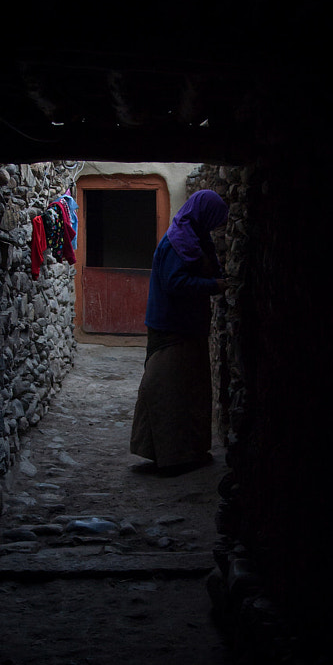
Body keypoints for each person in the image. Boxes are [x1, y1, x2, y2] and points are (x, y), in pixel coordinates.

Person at [129, 189, 229, 476]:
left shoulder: (197, 237)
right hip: (170, 326)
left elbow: (208, 266)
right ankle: (171, 456)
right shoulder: (177, 243)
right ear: (203, 215)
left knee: (188, 391)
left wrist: (216, 276)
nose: (214, 226)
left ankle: (186, 452)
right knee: (166, 390)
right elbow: (176, 283)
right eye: (213, 219)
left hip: (188, 326)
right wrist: (214, 286)